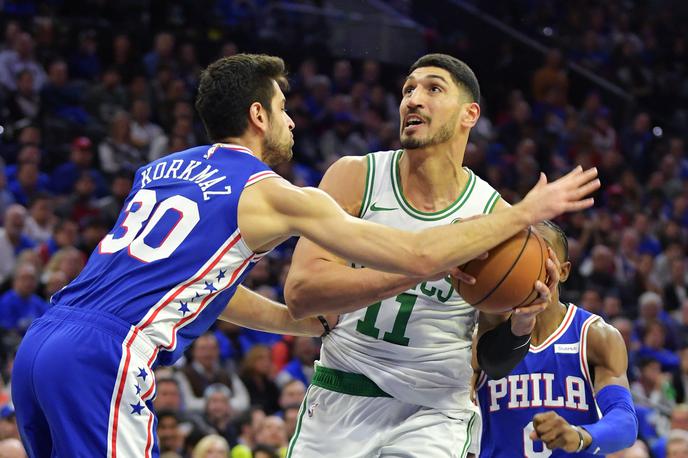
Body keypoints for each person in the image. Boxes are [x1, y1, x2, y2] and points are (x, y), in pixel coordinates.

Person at [12, 54, 598, 457]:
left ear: (471, 112)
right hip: (110, 358)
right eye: (284, 107)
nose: (293, 119)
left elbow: (191, 284)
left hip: (44, 340)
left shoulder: (159, 171)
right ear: (258, 116)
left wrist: (287, 323)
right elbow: (418, 255)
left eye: (432, 88)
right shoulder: (281, 191)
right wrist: (527, 211)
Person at [284, 53, 585, 457]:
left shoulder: (493, 217)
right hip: (342, 392)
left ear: (469, 114)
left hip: (435, 412)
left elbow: (492, 363)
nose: (412, 99)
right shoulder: (356, 176)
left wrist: (521, 322)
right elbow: (303, 293)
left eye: (433, 88)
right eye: (408, 89)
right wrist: (424, 265)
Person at [475, 221, 638, 456]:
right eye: (521, 251)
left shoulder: (594, 335)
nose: (528, 261)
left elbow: (625, 421)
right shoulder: (483, 335)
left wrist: (579, 436)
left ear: (563, 271)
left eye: (542, 251)